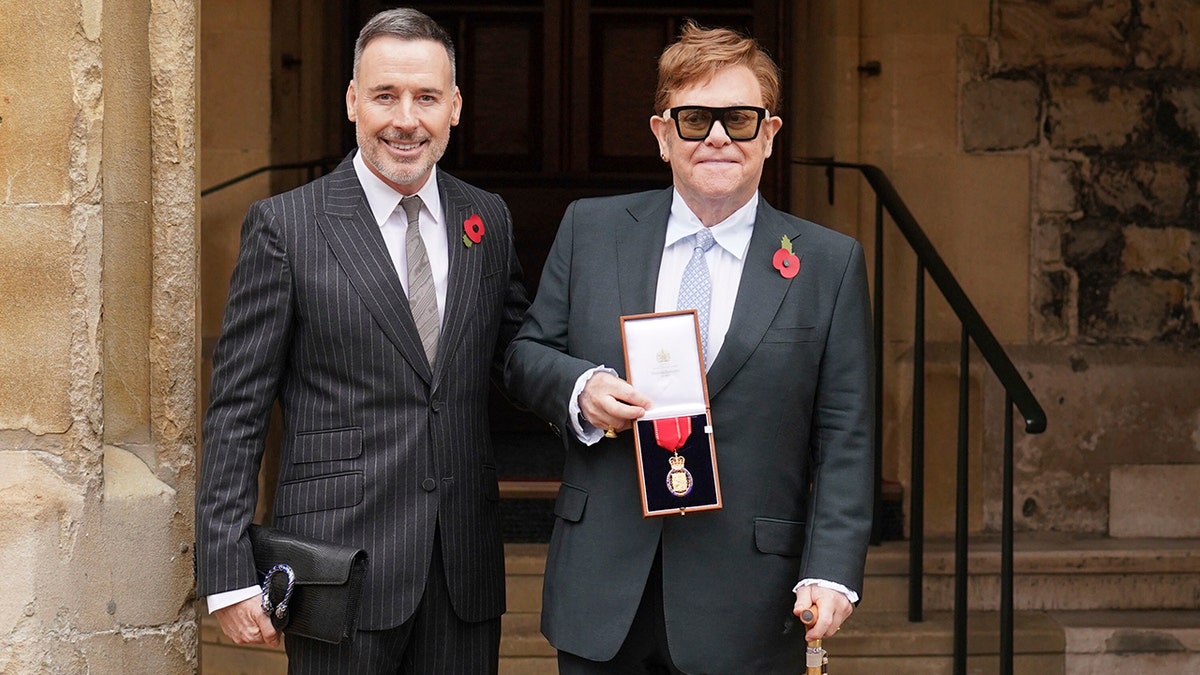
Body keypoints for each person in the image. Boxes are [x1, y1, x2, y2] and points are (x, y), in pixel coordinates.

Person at [504, 22, 873, 674]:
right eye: (696, 119)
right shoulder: (590, 230)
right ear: (662, 133)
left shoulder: (827, 263)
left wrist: (833, 571)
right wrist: (581, 388)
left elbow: (846, 437)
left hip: (749, 603)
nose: (719, 138)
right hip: (602, 594)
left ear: (770, 133)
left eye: (740, 118)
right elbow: (526, 354)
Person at [195, 8, 529, 673]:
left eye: (426, 97)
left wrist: (591, 385)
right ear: (353, 101)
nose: (406, 118)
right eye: (385, 95)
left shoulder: (487, 219)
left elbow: (518, 356)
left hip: (462, 572)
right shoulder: (286, 227)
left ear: (455, 107)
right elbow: (237, 410)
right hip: (337, 575)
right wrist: (229, 570)